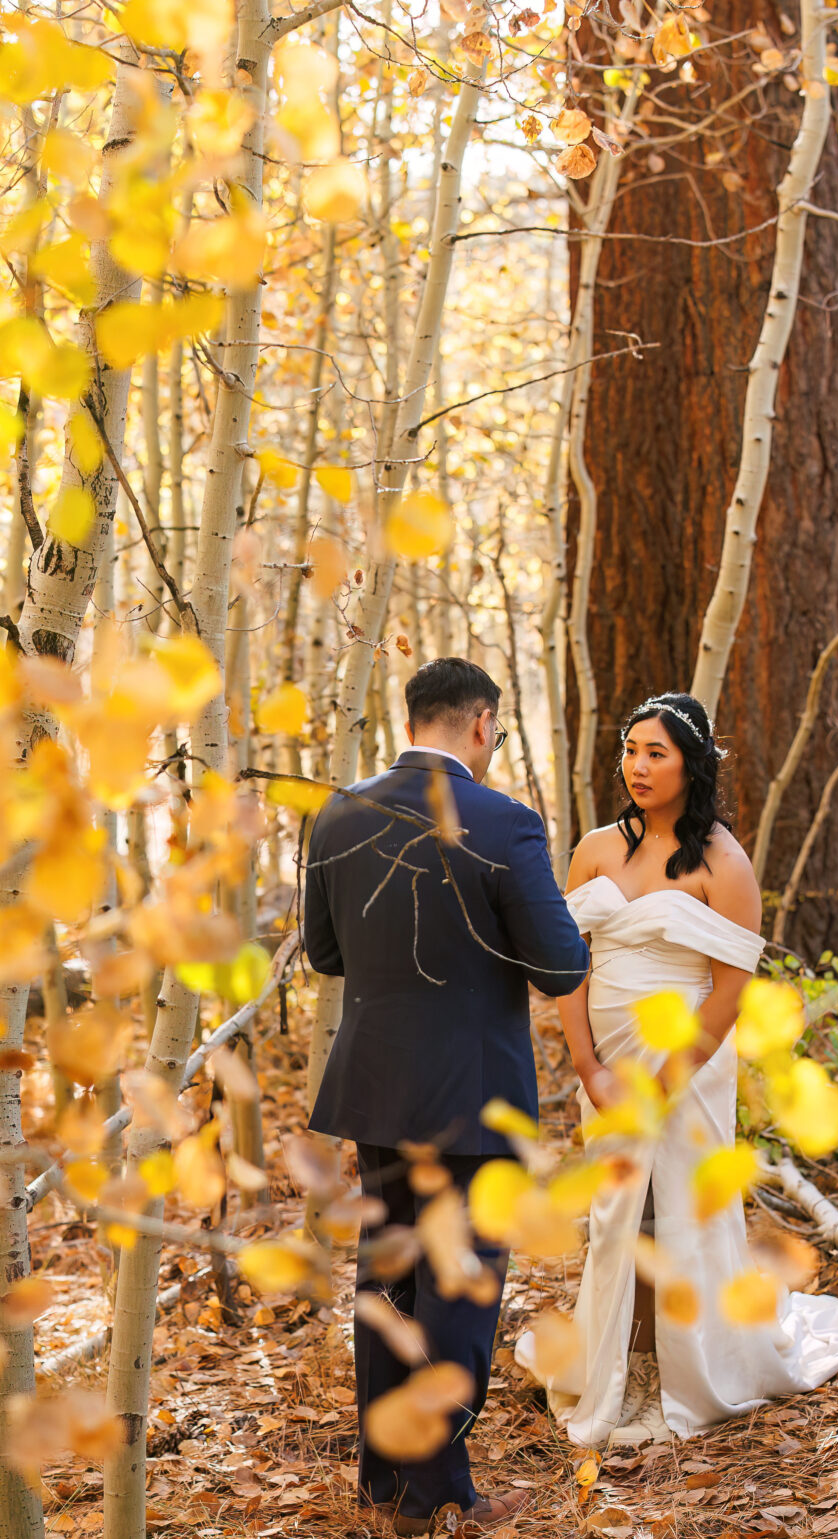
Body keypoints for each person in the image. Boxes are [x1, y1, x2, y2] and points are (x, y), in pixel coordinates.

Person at [519, 691, 838, 1447]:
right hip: (610, 1066)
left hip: (687, 1063)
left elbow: (730, 992)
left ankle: (686, 1369)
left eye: (656, 752)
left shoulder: (724, 862)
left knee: (683, 1207)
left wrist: (668, 1078)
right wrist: (589, 1065)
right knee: (617, 1210)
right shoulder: (595, 849)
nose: (638, 766)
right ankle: (618, 1363)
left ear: (691, 764)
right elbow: (571, 966)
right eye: (630, 750)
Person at [305, 657, 589, 1536]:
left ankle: (385, 1482)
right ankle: (441, 1496)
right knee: (458, 1293)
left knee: (388, 1281)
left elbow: (323, 952)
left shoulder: (340, 812)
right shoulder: (504, 823)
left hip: (377, 1085)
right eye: (496, 731)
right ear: (480, 724)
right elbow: (561, 964)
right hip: (471, 1094)